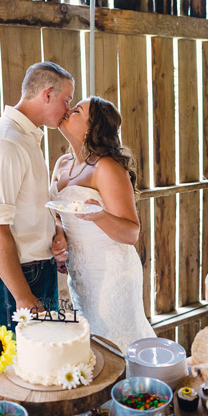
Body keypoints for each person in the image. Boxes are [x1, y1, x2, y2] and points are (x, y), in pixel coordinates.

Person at [0, 62, 73, 329]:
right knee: (19, 364)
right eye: (66, 100)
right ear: (47, 94)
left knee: (44, 359)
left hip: (36, 269)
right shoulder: (6, 142)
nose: (69, 110)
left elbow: (29, 206)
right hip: (18, 277)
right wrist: (23, 296)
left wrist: (55, 227)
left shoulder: (25, 138)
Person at [50, 96, 155, 350]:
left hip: (112, 275)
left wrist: (99, 216)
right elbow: (58, 214)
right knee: (92, 345)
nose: (68, 111)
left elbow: (131, 232)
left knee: (116, 346)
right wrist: (59, 235)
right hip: (79, 274)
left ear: (90, 127)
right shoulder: (62, 165)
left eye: (77, 110)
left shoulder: (106, 168)